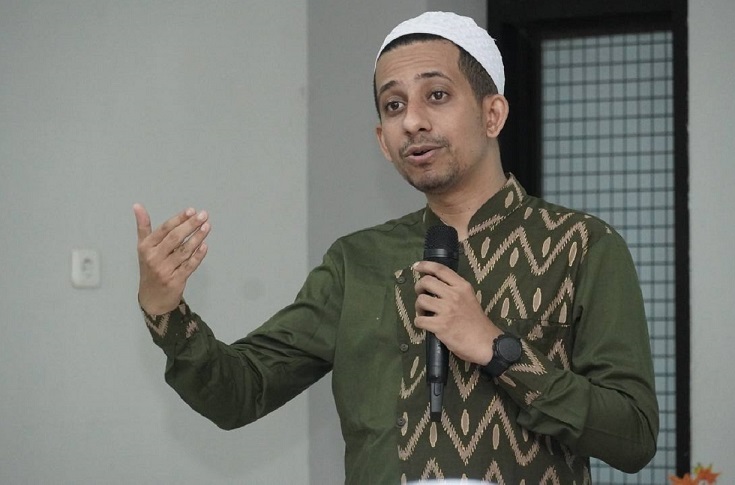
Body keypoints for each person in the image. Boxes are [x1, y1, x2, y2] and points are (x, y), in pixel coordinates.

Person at [134, 11, 658, 484]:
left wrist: (496, 348)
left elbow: (633, 436)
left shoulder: (581, 246)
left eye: (437, 95)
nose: (412, 121)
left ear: (492, 114)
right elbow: (239, 393)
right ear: (383, 142)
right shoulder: (356, 262)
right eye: (394, 105)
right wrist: (165, 310)